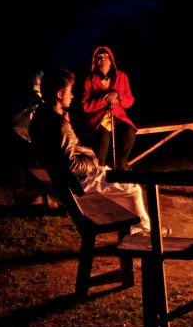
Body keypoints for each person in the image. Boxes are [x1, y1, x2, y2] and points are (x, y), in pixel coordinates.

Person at [28, 68, 152, 233]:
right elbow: (72, 164)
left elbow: (61, 151)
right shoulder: (59, 123)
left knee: (116, 183)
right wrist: (93, 163)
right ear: (59, 94)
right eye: (70, 91)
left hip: (61, 182)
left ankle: (135, 227)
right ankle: (142, 228)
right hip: (77, 184)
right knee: (131, 188)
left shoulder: (39, 116)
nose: (72, 95)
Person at [81, 46, 138, 171]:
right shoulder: (89, 79)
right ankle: (98, 171)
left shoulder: (122, 77)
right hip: (98, 119)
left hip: (117, 116)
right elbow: (85, 106)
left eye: (106, 56)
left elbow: (129, 102)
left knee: (129, 132)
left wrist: (118, 95)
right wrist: (105, 99)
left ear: (111, 60)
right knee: (103, 138)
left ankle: (121, 163)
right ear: (95, 61)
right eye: (99, 57)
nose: (103, 59)